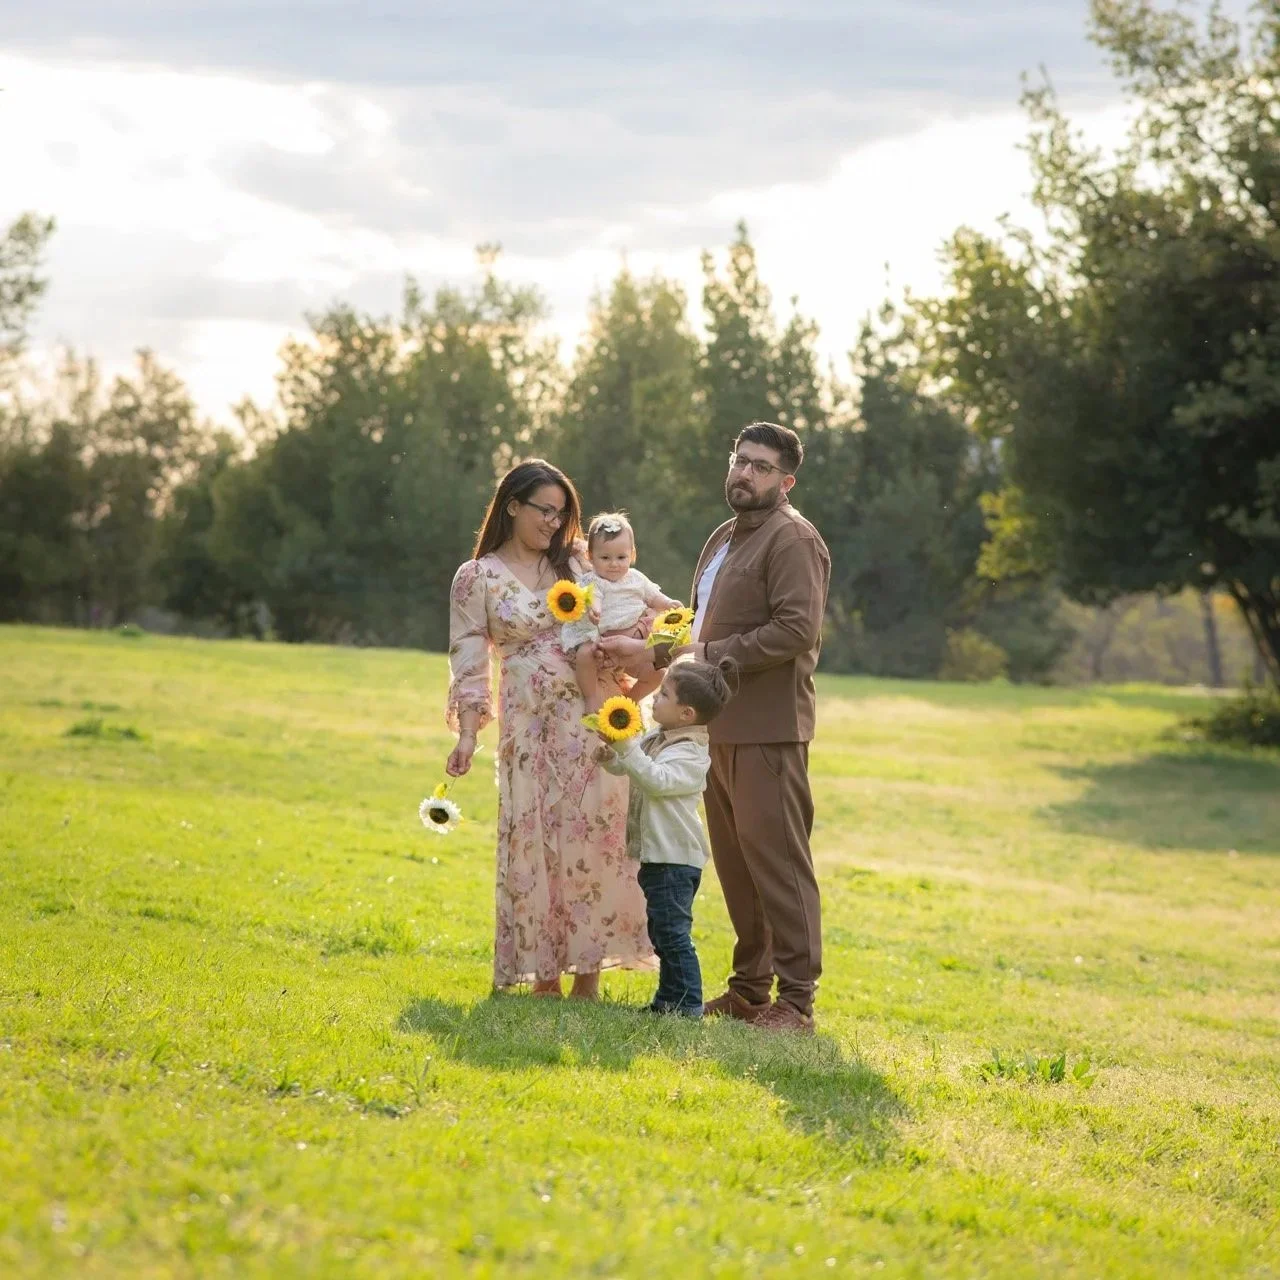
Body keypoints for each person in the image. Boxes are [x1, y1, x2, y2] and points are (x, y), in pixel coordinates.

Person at [599, 422, 830, 1033]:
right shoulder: (725, 537)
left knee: (778, 863)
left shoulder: (793, 539)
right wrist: (651, 652)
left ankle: (797, 1002)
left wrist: (706, 652)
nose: (745, 473)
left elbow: (795, 630)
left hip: (768, 728)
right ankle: (750, 991)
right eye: (740, 460)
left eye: (761, 466)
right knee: (736, 865)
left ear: (786, 481)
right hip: (711, 727)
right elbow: (695, 628)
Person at [445, 460, 653, 998]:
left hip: (592, 719)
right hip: (529, 725)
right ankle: (544, 978)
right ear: (512, 505)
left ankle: (588, 977)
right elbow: (469, 659)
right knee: (538, 839)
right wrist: (467, 733)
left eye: (561, 514)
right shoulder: (478, 577)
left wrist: (640, 638)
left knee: (595, 836)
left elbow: (629, 605)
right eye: (544, 510)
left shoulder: (579, 562)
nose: (553, 523)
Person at [595, 658, 738, 1018]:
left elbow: (656, 781)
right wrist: (611, 757)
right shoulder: (659, 737)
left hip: (675, 859)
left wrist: (627, 748)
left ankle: (688, 1004)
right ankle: (668, 1001)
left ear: (687, 713)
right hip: (657, 856)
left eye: (663, 695)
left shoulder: (691, 753)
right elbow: (631, 765)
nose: (655, 700)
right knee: (662, 933)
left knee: (673, 935)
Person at [561, 512, 682, 710]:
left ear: (632, 555)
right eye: (605, 557)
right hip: (602, 642)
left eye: (621, 557)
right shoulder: (593, 580)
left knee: (658, 673)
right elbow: (594, 597)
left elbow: (653, 596)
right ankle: (591, 697)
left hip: (633, 645)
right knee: (584, 655)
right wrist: (595, 609)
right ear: (590, 556)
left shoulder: (636, 578)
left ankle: (630, 701)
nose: (614, 564)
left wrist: (668, 603)